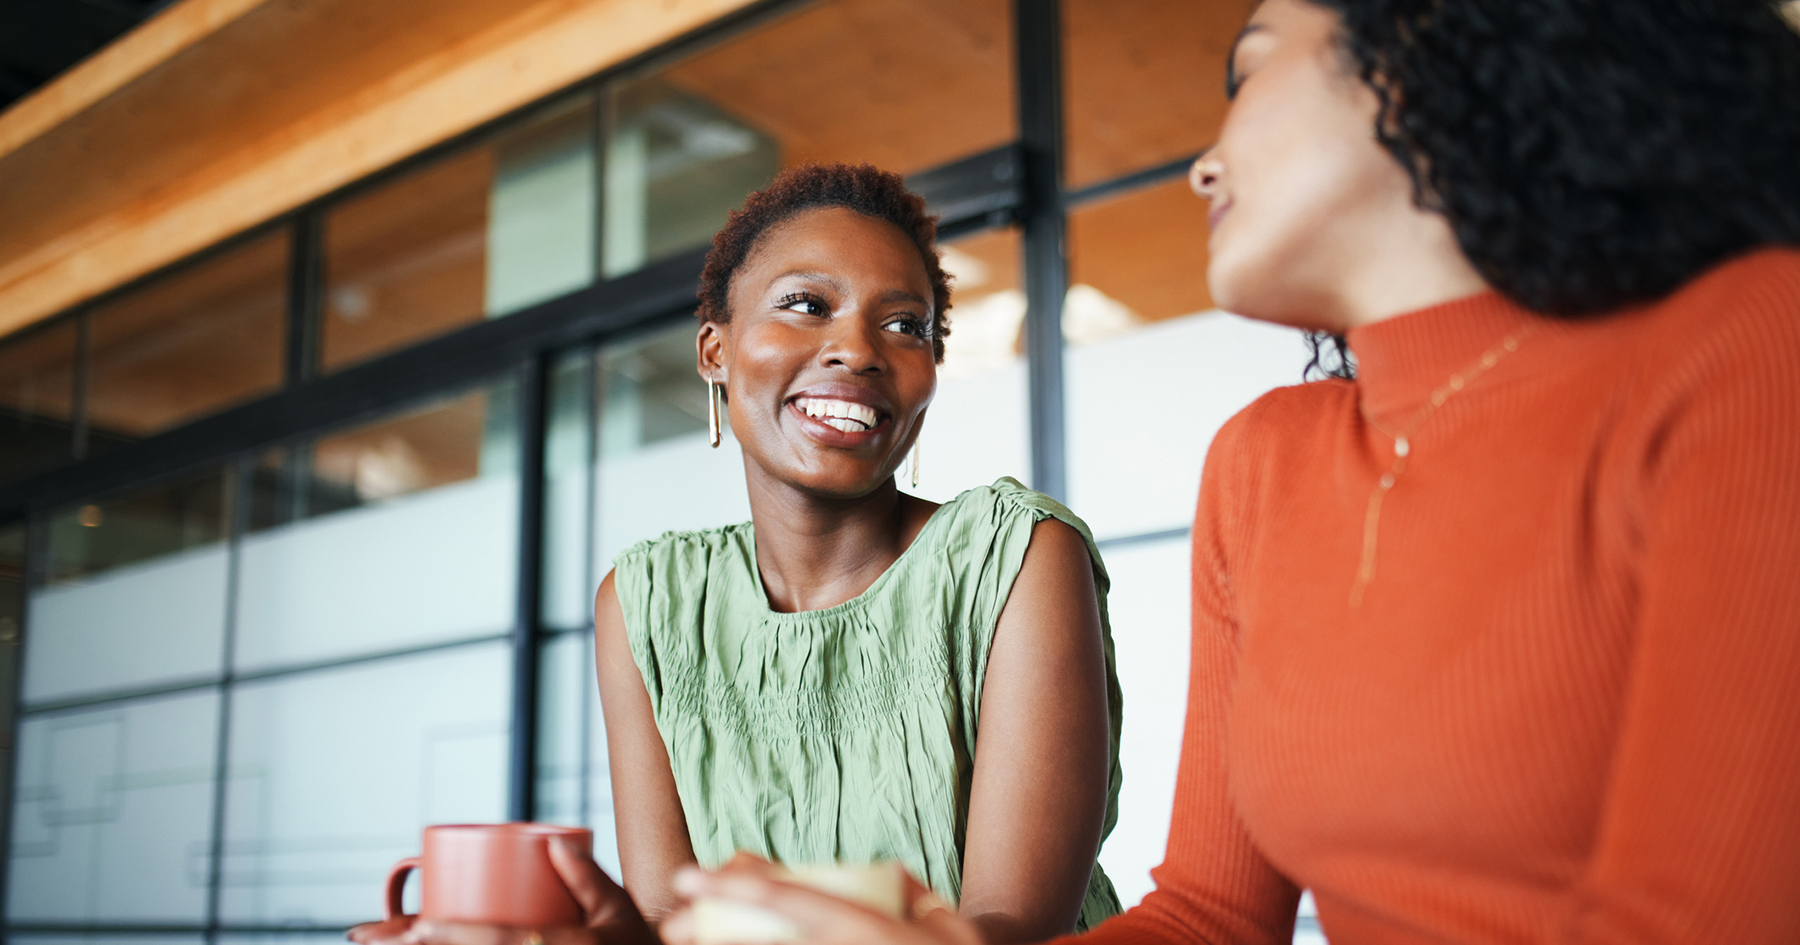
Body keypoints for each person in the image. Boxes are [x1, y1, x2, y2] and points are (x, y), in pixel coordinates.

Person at [668, 0, 1800, 942]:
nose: (1205, 163)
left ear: (1424, 55)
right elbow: (1211, 916)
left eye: (1247, 73)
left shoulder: (1748, 349)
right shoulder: (1267, 459)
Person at [351, 163, 1125, 945]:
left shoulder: (1016, 558)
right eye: (807, 305)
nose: (858, 350)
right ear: (714, 350)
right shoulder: (648, 604)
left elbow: (1013, 930)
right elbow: (671, 922)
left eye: (904, 325)